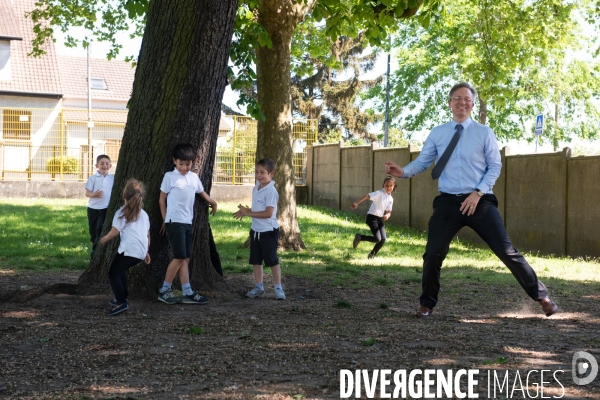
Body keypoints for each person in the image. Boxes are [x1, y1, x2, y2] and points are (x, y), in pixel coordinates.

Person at [385, 82, 558, 318]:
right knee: (433, 252)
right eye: (457, 98)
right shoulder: (438, 133)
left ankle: (542, 297)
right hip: (447, 202)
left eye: (467, 99)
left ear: (472, 104)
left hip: (480, 200)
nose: (462, 102)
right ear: (449, 103)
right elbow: (424, 161)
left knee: (506, 251)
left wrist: (478, 193)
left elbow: (495, 166)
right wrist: (402, 172)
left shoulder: (484, 133)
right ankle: (426, 305)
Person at [157, 143, 217, 305]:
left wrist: (213, 202)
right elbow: (162, 200)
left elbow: (201, 193)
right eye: (181, 164)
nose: (184, 167)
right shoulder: (170, 177)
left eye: (188, 164)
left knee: (185, 259)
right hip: (174, 221)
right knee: (179, 256)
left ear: (193, 162)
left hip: (187, 222)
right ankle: (164, 290)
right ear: (174, 161)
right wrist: (165, 220)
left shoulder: (193, 177)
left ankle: (187, 291)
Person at [233, 158, 285, 300]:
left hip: (268, 231)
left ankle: (278, 288)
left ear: (271, 174)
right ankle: (258, 287)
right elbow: (258, 209)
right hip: (255, 231)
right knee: (256, 260)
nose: (259, 175)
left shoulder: (271, 191)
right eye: (256, 172)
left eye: (262, 172)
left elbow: (268, 213)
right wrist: (246, 211)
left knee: (272, 260)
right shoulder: (256, 188)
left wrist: (249, 213)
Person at [98, 179, 151, 316]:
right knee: (120, 271)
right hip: (140, 252)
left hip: (129, 250)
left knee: (113, 273)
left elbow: (114, 233)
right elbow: (147, 235)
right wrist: (146, 252)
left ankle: (122, 302)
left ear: (124, 196)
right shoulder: (144, 214)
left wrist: (103, 239)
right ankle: (123, 297)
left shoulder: (122, 213)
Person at [350, 176, 396, 259]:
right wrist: (356, 203)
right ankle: (360, 237)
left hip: (380, 219)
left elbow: (389, 211)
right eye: (387, 185)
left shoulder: (390, 199)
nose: (388, 187)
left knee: (383, 239)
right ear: (383, 185)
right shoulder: (379, 193)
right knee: (377, 239)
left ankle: (372, 255)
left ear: (393, 186)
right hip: (372, 217)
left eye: (391, 185)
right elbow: (367, 196)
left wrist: (387, 215)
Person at [85, 154, 114, 258]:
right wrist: (94, 195)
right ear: (97, 165)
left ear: (110, 165)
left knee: (100, 228)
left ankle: (95, 251)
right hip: (93, 208)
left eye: (107, 163)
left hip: (105, 208)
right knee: (92, 230)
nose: (104, 165)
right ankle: (94, 244)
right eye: (102, 163)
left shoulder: (113, 178)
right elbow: (87, 193)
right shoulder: (93, 178)